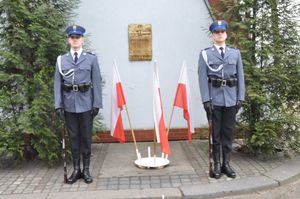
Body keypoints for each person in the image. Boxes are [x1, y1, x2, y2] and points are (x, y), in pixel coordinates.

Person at [54, 25, 102, 184]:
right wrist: (58, 105)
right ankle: (76, 170)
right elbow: (57, 83)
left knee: (86, 138)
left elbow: (96, 82)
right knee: (73, 137)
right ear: (69, 39)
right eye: (72, 37)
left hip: (86, 103)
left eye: (78, 37)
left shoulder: (91, 58)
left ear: (82, 40)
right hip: (69, 105)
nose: (75, 40)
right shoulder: (61, 60)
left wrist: (96, 104)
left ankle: (86, 170)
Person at [198, 20, 245, 179]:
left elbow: (240, 77)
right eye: (217, 32)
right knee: (215, 135)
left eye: (222, 32)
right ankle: (216, 164)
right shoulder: (205, 54)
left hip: (231, 100)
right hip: (215, 100)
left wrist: (240, 98)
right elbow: (202, 79)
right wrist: (206, 100)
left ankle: (226, 164)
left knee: (228, 133)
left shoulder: (235, 53)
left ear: (226, 34)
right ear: (212, 35)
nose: (220, 34)